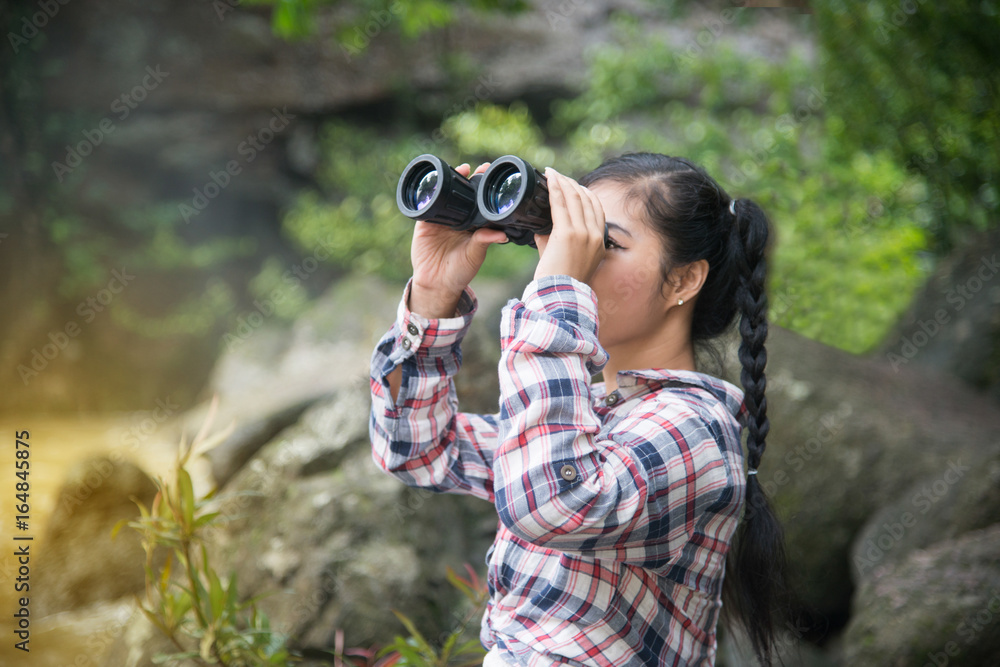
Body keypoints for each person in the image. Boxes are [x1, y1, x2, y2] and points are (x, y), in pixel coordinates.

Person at [369, 153, 789, 666]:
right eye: (572, 236)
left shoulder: (695, 430)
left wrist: (557, 294)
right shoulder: (586, 409)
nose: (577, 259)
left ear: (682, 281)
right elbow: (418, 451)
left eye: (603, 243)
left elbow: (553, 504)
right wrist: (434, 294)